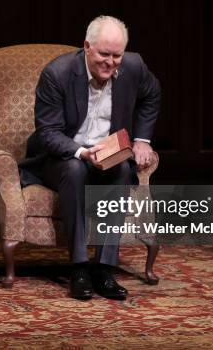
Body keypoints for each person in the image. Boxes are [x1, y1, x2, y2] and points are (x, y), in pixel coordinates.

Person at [22, 15, 161, 300]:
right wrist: (83, 153)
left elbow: (152, 94)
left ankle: (104, 269)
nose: (110, 63)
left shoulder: (133, 66)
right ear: (86, 47)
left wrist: (142, 140)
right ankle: (80, 267)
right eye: (103, 55)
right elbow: (48, 132)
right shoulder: (57, 73)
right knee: (75, 170)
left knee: (123, 170)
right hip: (61, 156)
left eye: (116, 56)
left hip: (108, 156)